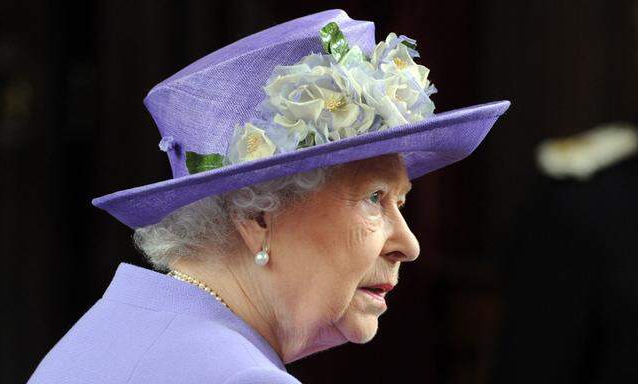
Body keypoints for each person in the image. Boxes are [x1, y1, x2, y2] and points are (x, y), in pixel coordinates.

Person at [27, 9, 509, 383]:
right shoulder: (240, 377)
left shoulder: (118, 328)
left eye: (398, 203)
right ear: (258, 213)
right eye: (373, 198)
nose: (408, 244)